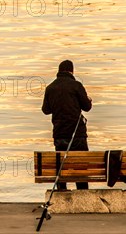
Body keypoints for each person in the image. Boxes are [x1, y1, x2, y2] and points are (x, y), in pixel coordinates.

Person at [41, 60, 92, 190]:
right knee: (80, 167)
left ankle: (61, 191)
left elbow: (45, 110)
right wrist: (89, 100)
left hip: (60, 134)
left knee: (61, 165)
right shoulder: (76, 86)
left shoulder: (50, 88)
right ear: (71, 71)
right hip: (78, 135)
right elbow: (86, 107)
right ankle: (82, 193)